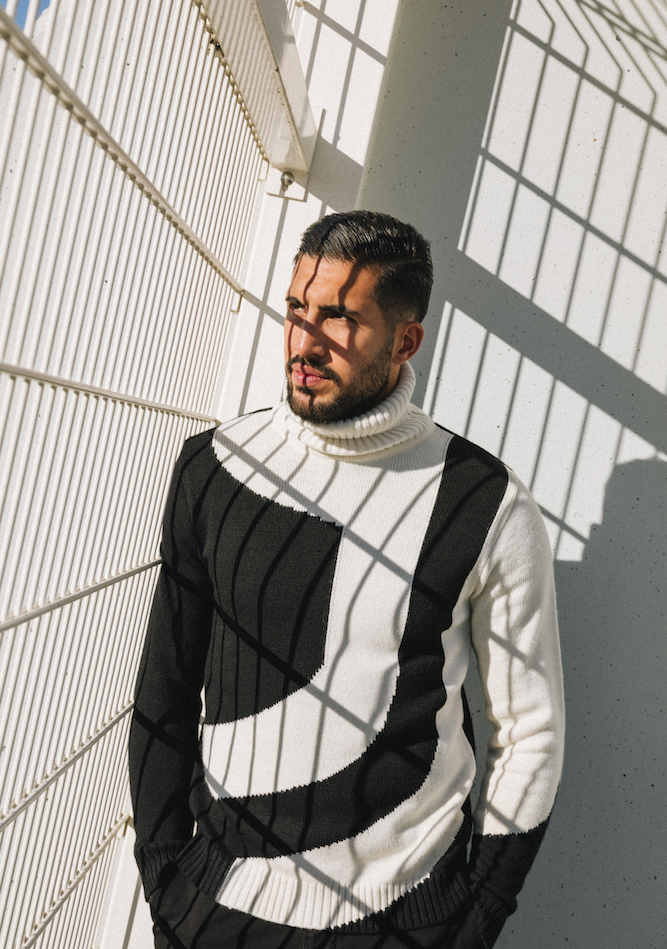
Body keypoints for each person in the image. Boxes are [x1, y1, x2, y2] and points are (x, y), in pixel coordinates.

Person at [129, 210, 565, 949]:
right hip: (217, 907)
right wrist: (166, 875)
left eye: (340, 319)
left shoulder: (484, 501)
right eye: (296, 309)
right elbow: (164, 690)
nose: (305, 341)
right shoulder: (217, 466)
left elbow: (532, 729)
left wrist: (475, 920)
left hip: (400, 919)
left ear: (405, 341)